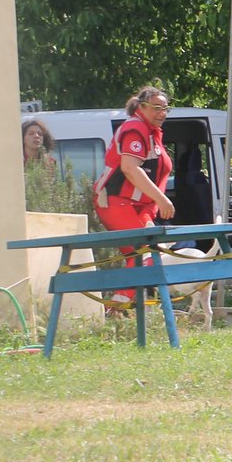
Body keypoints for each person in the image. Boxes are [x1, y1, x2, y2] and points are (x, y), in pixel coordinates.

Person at [92, 86, 176, 308]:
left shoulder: (151, 132)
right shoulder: (136, 128)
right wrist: (162, 199)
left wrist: (151, 211)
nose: (162, 113)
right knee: (144, 254)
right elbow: (130, 168)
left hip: (138, 207)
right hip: (116, 202)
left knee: (146, 255)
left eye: (166, 108)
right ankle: (116, 309)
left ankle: (126, 308)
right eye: (157, 108)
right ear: (141, 107)